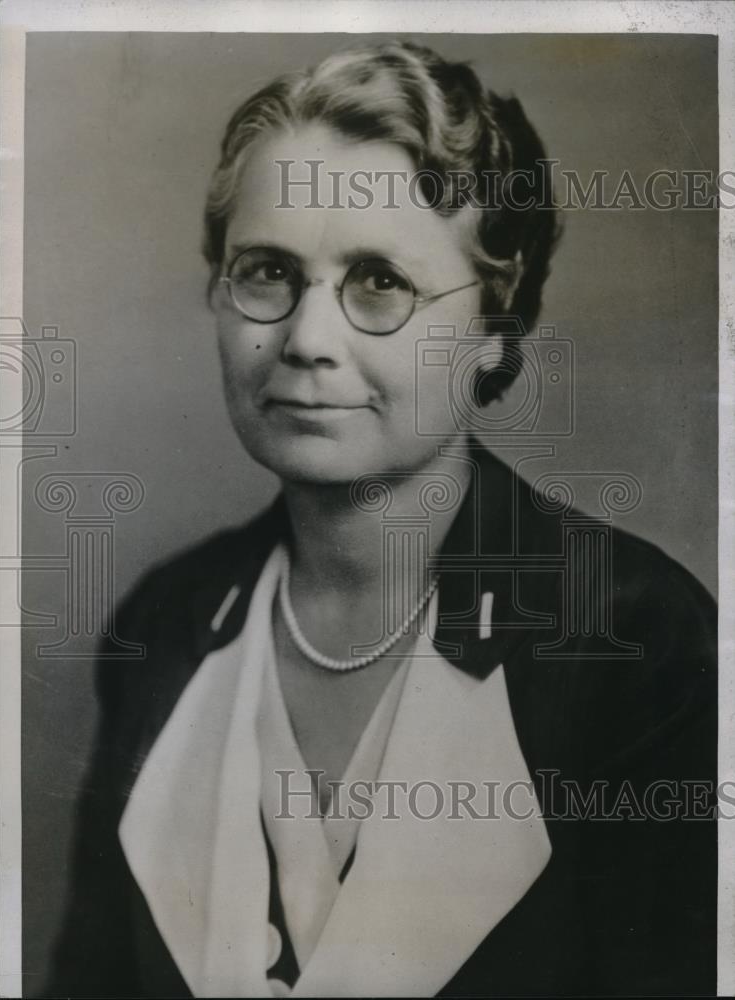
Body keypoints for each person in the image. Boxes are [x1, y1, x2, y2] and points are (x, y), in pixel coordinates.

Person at [45, 40, 717, 998]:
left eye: (380, 283)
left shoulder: (639, 643)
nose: (307, 341)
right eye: (267, 272)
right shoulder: (166, 624)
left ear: (495, 325)